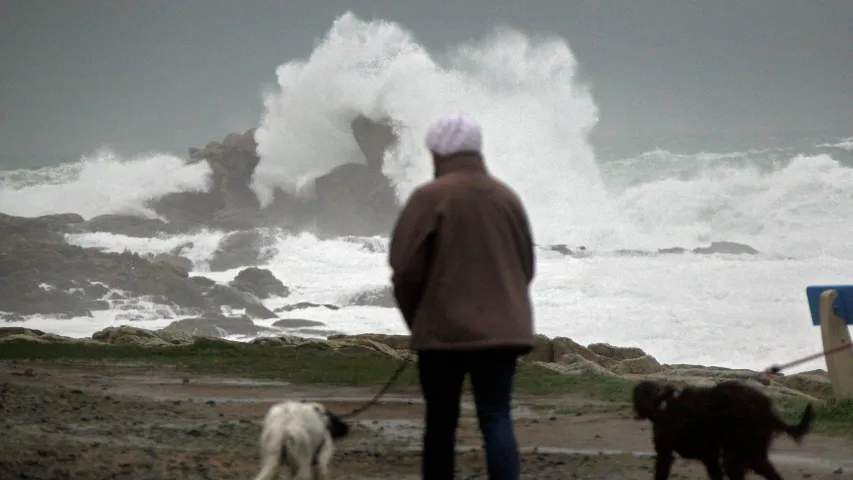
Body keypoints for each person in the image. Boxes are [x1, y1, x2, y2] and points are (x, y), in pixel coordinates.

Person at [388, 112, 537, 480]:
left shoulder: (429, 197)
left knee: (441, 422)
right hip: (502, 334)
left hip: (443, 334)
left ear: (438, 154)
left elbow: (405, 269)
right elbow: (527, 266)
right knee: (496, 417)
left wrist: (418, 321)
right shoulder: (506, 197)